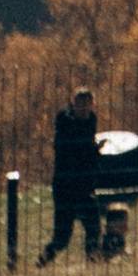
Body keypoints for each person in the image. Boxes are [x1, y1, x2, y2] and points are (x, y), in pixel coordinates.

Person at [42, 85, 102, 259]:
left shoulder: (91, 119)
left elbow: (86, 148)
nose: (84, 110)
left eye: (87, 105)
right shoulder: (65, 121)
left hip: (84, 186)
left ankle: (92, 261)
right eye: (80, 105)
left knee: (93, 227)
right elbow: (72, 151)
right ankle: (44, 258)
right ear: (73, 105)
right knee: (62, 237)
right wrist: (93, 149)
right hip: (65, 187)